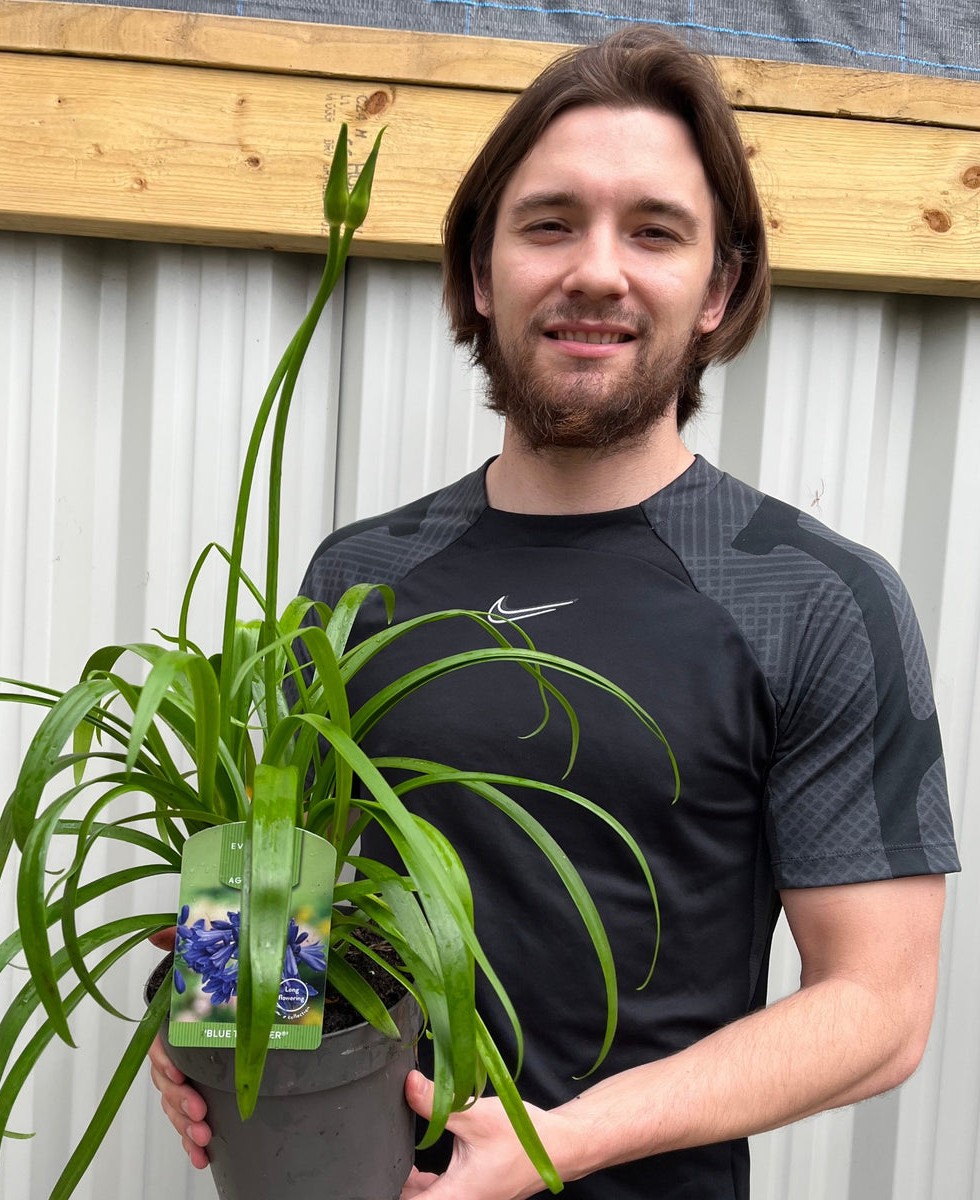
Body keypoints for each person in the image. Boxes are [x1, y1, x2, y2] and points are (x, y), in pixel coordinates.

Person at [147, 26, 959, 1199]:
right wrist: (215, 1024)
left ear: (719, 288)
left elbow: (880, 1009)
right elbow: (277, 868)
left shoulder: (815, 597)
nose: (596, 269)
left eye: (654, 231)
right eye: (550, 222)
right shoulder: (357, 573)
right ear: (483, 272)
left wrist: (550, 1146)